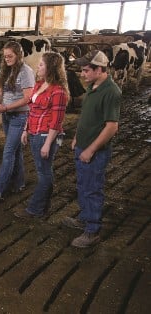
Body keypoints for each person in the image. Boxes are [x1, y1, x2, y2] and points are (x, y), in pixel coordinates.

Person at [62, 50, 121, 248]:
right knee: (82, 185)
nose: (82, 74)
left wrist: (91, 149)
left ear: (99, 69)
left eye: (86, 70)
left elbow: (112, 126)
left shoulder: (111, 91)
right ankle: (85, 217)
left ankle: (92, 229)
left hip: (95, 151)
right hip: (82, 145)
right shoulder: (92, 87)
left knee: (93, 188)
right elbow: (88, 116)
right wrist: (78, 138)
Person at [13, 52, 69, 219]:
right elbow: (32, 110)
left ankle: (34, 209)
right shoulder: (39, 85)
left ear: (50, 68)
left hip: (46, 135)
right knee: (43, 171)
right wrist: (25, 129)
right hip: (35, 132)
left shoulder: (58, 91)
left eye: (42, 65)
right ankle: (43, 206)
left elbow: (56, 120)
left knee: (44, 173)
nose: (38, 67)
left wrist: (47, 143)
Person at [0, 41, 35, 201]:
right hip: (7, 115)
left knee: (8, 153)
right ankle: (19, 183)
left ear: (18, 55)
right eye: (5, 56)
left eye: (10, 56)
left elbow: (28, 98)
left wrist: (6, 108)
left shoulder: (25, 71)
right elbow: (0, 91)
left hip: (20, 116)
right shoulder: (6, 70)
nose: (7, 59)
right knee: (15, 151)